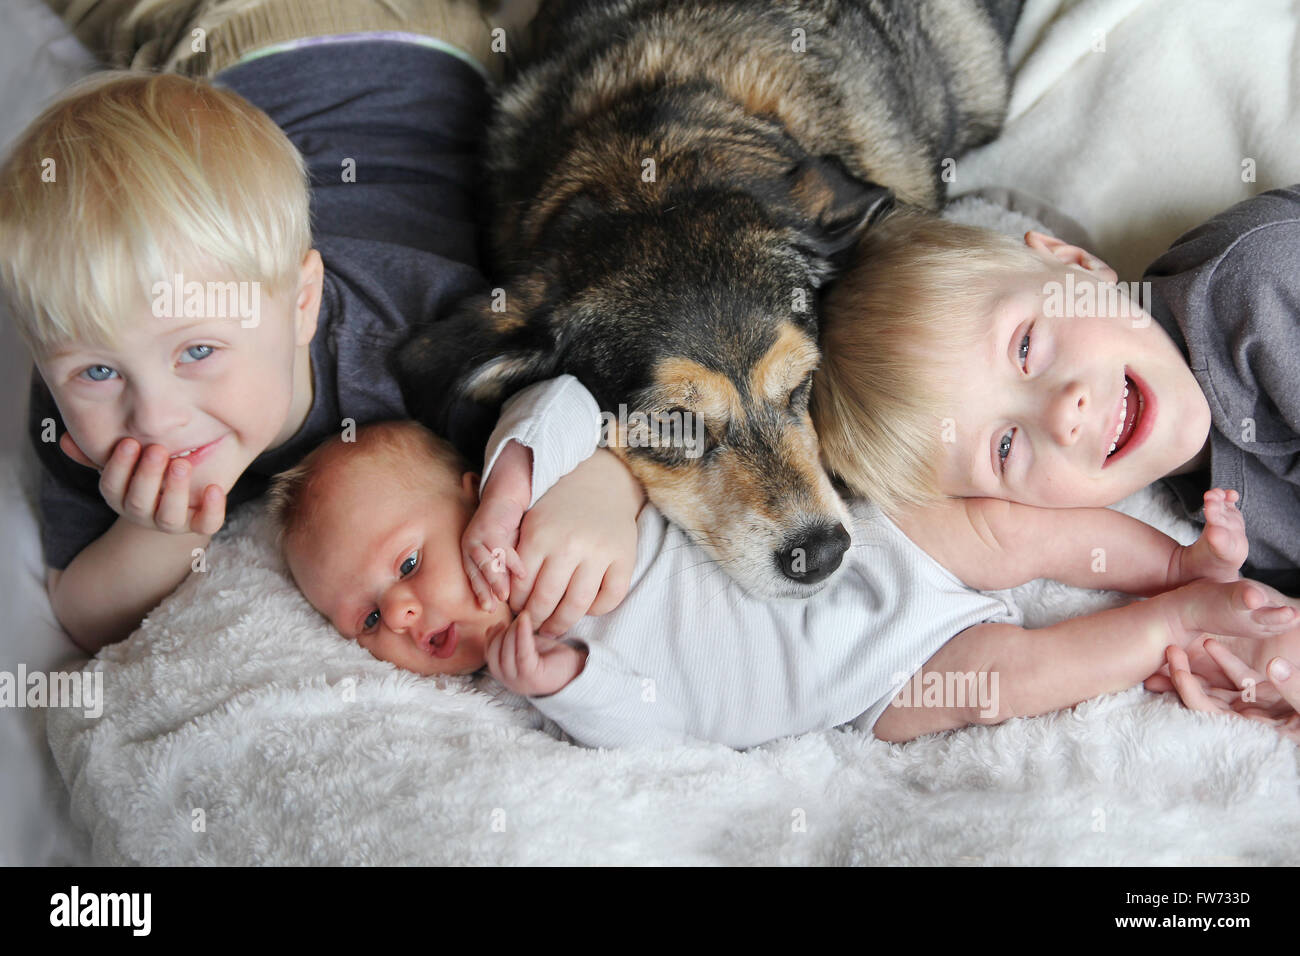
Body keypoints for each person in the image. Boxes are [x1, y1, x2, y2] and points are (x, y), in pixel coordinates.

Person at [0, 0, 640, 651]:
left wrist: (600, 487)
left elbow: (592, 387)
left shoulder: (413, 343)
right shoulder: (77, 380)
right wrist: (164, 531)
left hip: (324, 33)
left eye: (197, 351)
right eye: (99, 372)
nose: (156, 418)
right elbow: (81, 614)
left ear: (302, 303)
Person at [265, 375, 1299, 749]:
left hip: (871, 552)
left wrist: (514, 480)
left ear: (462, 491)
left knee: (1010, 531)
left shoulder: (528, 489)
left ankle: (1173, 568)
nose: (401, 614)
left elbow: (570, 396)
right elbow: (651, 725)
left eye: (404, 563)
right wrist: (574, 686)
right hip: (859, 689)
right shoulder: (529, 671)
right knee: (1009, 684)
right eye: (363, 619)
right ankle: (1164, 625)